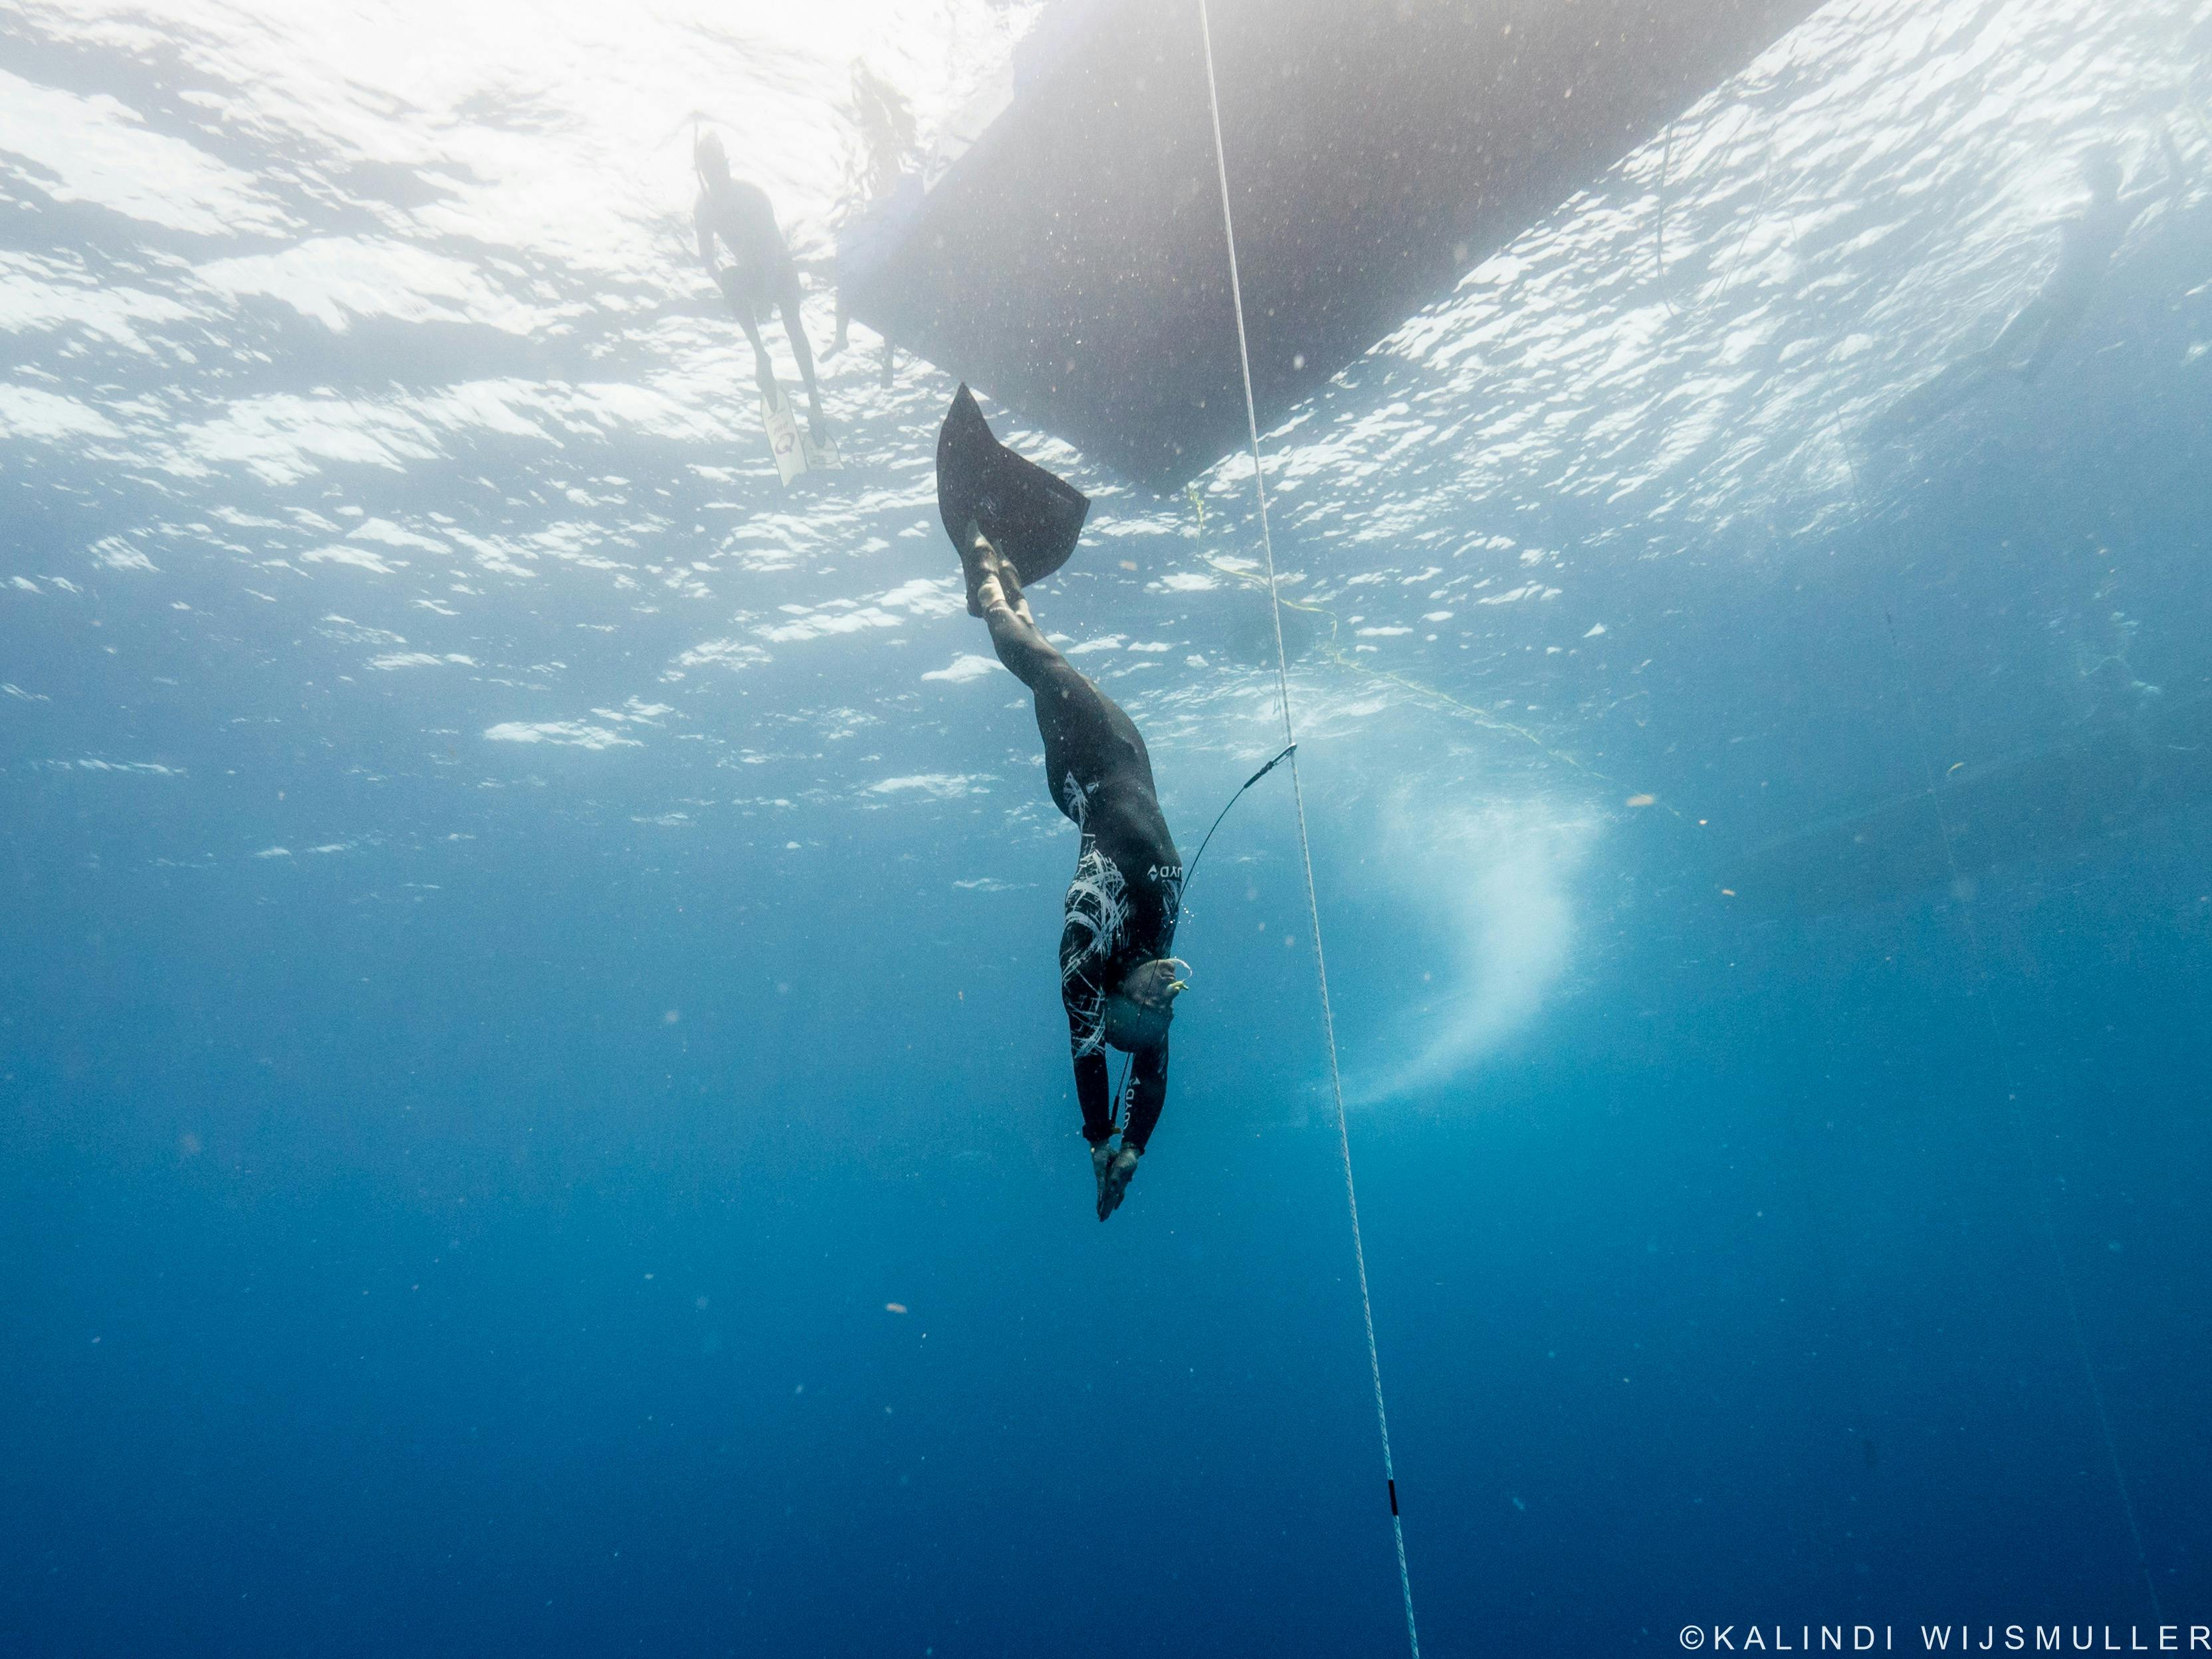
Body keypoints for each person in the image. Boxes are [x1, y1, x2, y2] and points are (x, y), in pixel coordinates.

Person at [937, 387, 1186, 1220]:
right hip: (1115, 762)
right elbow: (1148, 1068)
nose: (1169, 992)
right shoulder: (1153, 956)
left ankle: (986, 571)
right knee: (1043, 674)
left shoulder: (1087, 940)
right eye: (1162, 1003)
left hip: (1084, 772)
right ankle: (1005, 575)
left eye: (1147, 1000)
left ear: (1112, 990)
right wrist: (1136, 1151)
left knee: (1024, 656)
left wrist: (1095, 1143)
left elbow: (1092, 1055)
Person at [1870, 138, 2183, 444]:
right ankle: (1918, 402)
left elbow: (2176, 180)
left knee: (2024, 370)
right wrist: (2060, 219)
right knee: (1999, 358)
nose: (2100, 184)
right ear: (2093, 182)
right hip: (2053, 300)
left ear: (2112, 180)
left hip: (2068, 302)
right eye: (2096, 178)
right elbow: (2033, 225)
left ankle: (1925, 411)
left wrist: (2167, 140)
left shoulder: (2127, 204)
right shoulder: (2079, 210)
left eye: (2104, 177)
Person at [693, 128, 830, 445]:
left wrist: (767, 297)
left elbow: (772, 250)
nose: (717, 175)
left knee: (793, 325)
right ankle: (761, 356)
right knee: (729, 278)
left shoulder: (752, 196)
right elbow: (709, 261)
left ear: (727, 164)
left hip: (781, 269)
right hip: (753, 273)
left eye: (720, 167)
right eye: (710, 170)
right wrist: (737, 294)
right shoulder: (704, 208)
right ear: (703, 172)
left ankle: (815, 401)